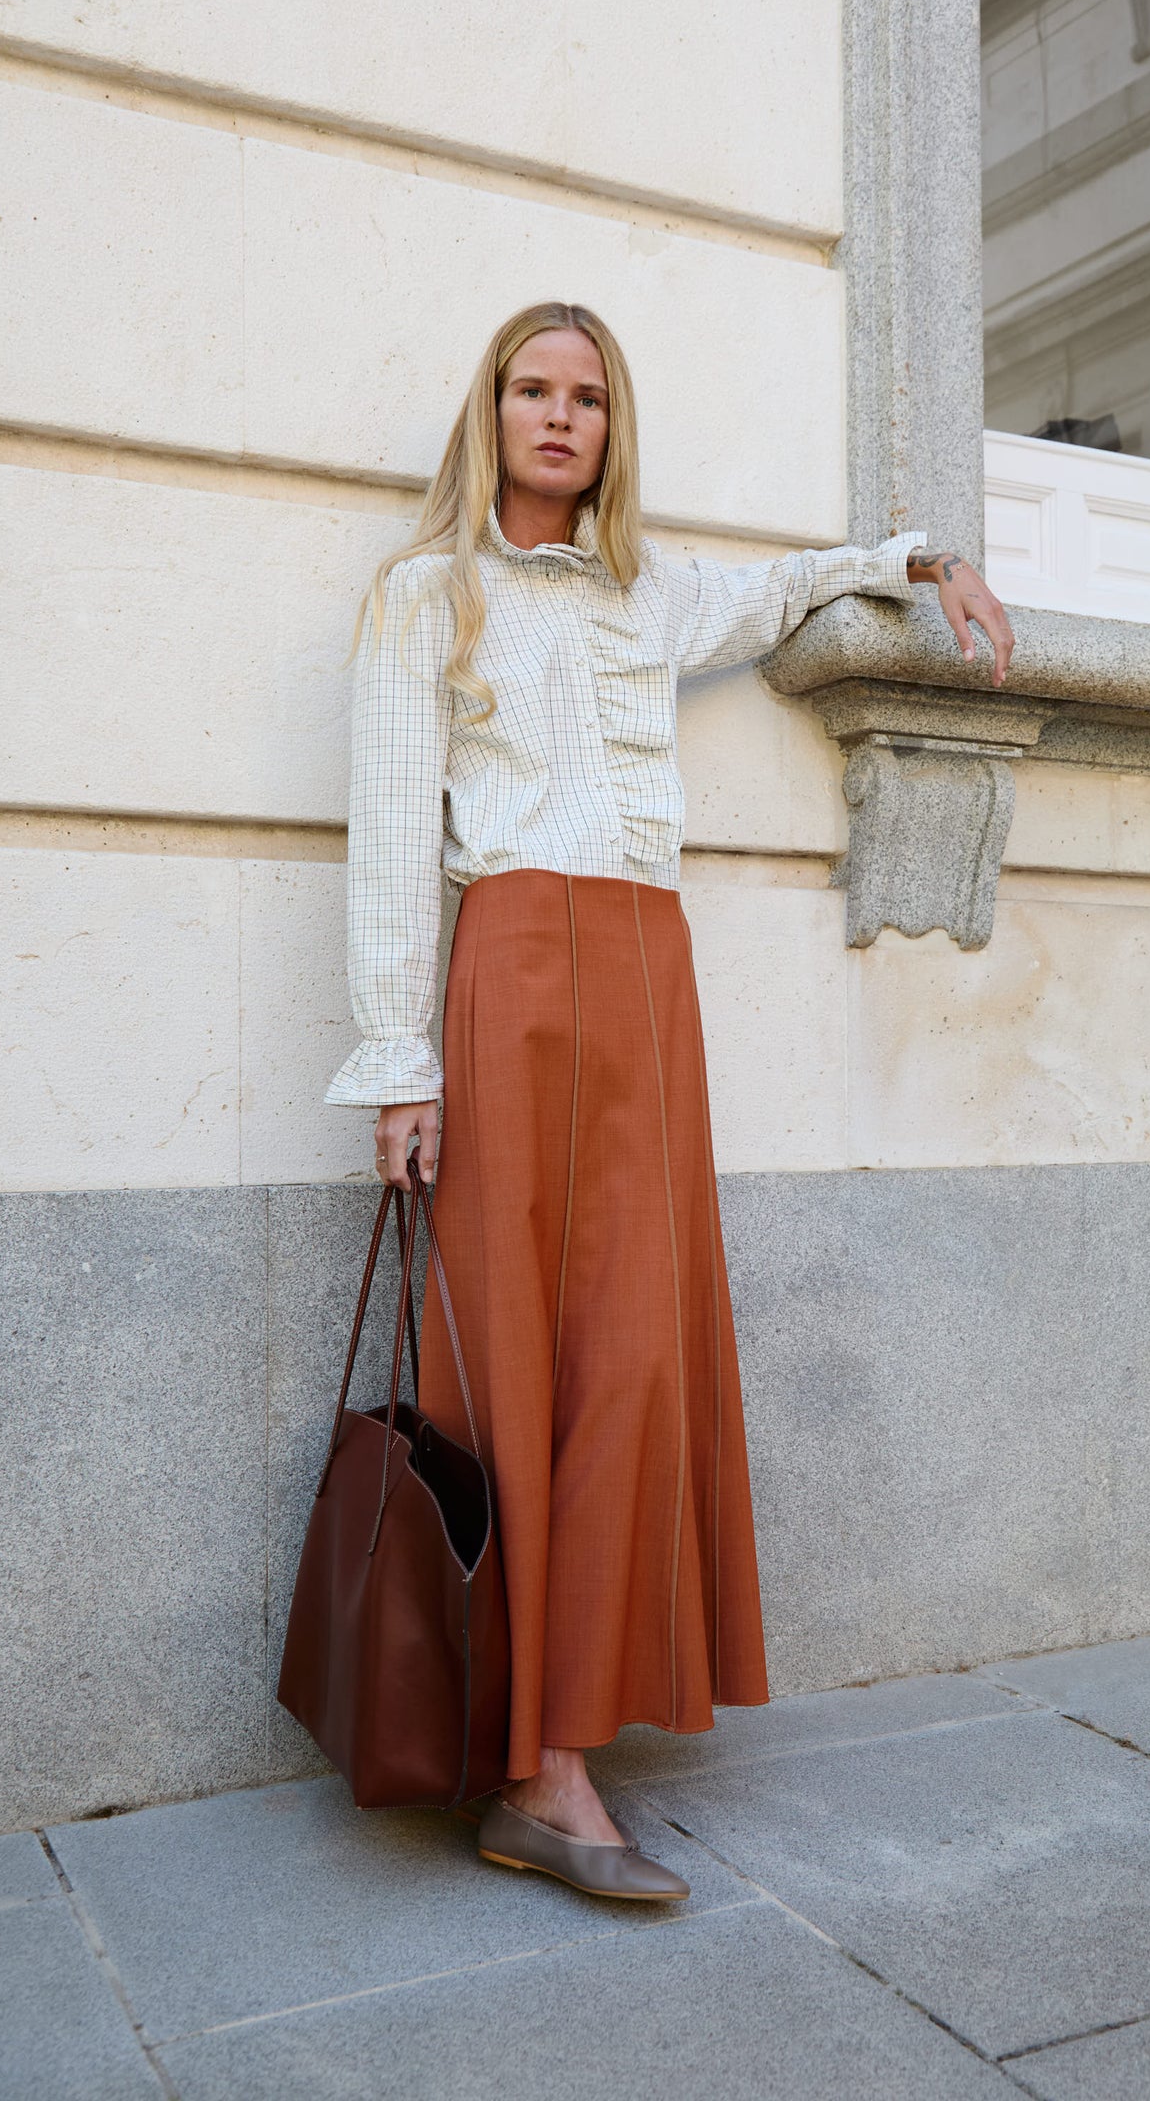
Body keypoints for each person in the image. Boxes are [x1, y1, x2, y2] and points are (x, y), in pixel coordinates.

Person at [326, 300, 1014, 1901]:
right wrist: (397, 1066)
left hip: (647, 975)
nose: (558, 419)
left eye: (586, 398)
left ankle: (565, 1750)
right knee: (509, 1352)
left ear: (612, 427)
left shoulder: (649, 594)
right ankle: (539, 1772)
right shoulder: (426, 598)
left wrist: (917, 559)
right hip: (511, 974)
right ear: (488, 410)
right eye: (530, 391)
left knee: (634, 1354)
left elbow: (783, 588)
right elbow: (380, 837)